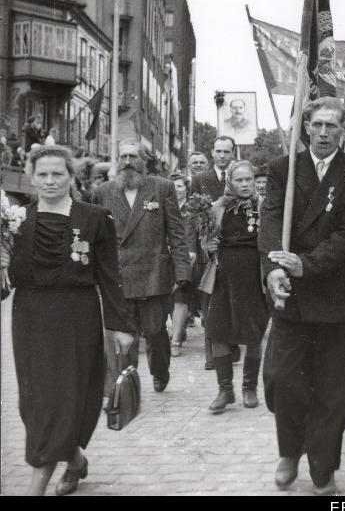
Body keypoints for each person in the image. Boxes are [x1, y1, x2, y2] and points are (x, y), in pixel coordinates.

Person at [259, 97, 345, 496]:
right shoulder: (282, 168)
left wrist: (304, 264)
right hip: (290, 298)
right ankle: (289, 451)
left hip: (334, 296)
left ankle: (323, 467)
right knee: (284, 381)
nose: (324, 133)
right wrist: (274, 267)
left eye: (333, 126)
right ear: (305, 126)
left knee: (333, 391)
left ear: (344, 130)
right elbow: (272, 219)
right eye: (317, 125)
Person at [6, 146, 136, 496]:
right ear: (31, 177)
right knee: (34, 404)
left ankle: (36, 487)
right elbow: (6, 283)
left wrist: (121, 325)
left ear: (71, 176)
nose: (49, 182)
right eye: (42, 175)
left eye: (57, 174)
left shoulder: (96, 218)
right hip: (30, 319)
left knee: (61, 400)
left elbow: (110, 276)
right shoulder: (15, 220)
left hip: (77, 318)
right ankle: (75, 460)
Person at [92, 140, 191, 393]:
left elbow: (177, 234)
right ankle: (127, 385)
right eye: (122, 156)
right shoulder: (104, 191)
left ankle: (160, 372)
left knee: (155, 331)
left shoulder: (161, 188)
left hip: (153, 274)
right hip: (119, 274)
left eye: (132, 156)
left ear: (143, 160)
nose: (127, 162)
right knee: (125, 335)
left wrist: (182, 272)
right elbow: (96, 237)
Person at [204, 160, 269, 413]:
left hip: (253, 276)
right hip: (224, 277)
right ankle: (225, 389)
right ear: (230, 181)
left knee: (253, 331)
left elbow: (271, 238)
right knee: (217, 330)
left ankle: (249, 387)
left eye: (248, 179)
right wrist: (207, 246)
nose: (244, 184)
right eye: (239, 180)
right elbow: (209, 240)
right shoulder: (217, 208)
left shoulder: (263, 207)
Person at [190, 136, 240, 369]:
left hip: (234, 248)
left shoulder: (239, 176)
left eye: (226, 151)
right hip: (207, 250)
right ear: (212, 153)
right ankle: (212, 353)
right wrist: (194, 248)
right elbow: (193, 216)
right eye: (218, 151)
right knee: (208, 301)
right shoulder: (200, 179)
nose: (222, 155)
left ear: (233, 153)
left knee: (231, 301)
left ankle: (231, 345)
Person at [168, 172, 197, 357]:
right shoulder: (164, 206)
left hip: (186, 257)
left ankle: (176, 340)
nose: (176, 189)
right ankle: (180, 329)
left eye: (179, 186)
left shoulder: (192, 209)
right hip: (164, 258)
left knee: (180, 297)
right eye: (172, 186)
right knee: (167, 298)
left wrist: (189, 255)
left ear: (186, 188)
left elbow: (192, 235)